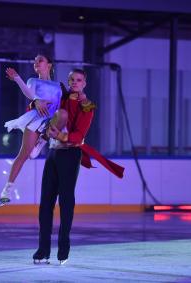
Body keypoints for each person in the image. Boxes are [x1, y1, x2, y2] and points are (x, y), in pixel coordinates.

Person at [32, 69, 125, 264]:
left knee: (66, 202)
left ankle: (63, 251)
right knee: (45, 203)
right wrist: (35, 102)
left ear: (84, 83)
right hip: (53, 153)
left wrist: (61, 136)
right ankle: (43, 250)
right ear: (68, 81)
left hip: (70, 154)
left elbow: (79, 135)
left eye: (79, 80)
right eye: (72, 80)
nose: (75, 82)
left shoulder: (87, 106)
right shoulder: (60, 97)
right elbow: (37, 107)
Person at [0, 54, 62, 206]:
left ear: (49, 65)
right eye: (35, 61)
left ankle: (42, 141)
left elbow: (61, 105)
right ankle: (6, 191)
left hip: (52, 118)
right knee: (23, 155)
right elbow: (29, 93)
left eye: (40, 60)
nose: (36, 63)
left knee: (61, 116)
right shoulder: (33, 81)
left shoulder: (58, 86)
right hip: (36, 118)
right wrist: (19, 80)